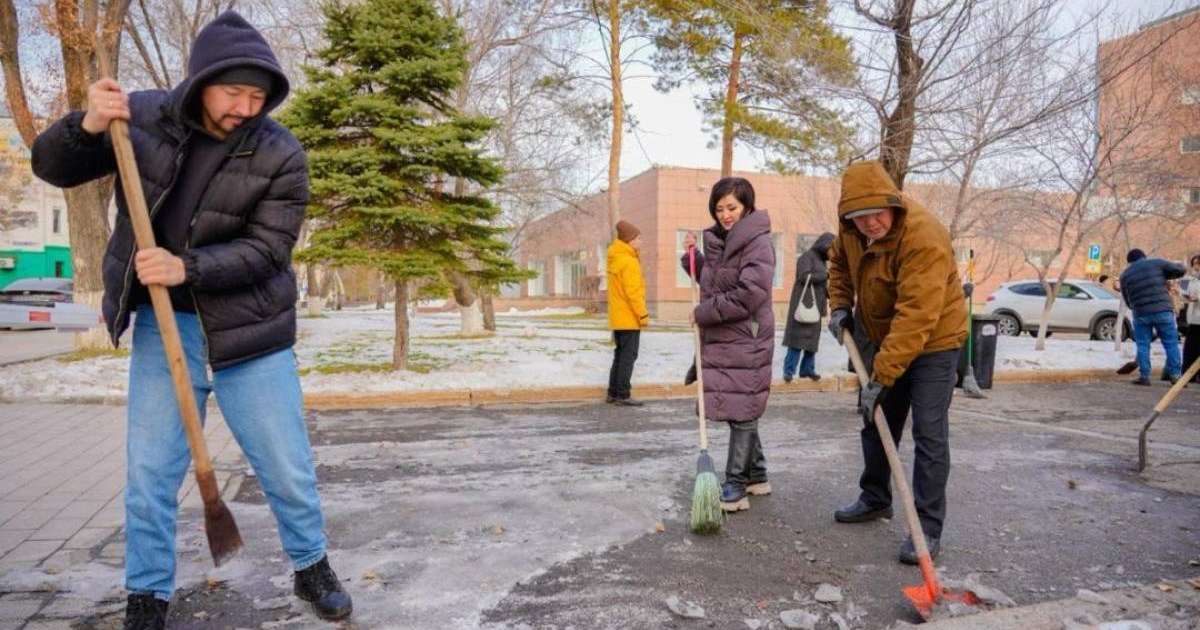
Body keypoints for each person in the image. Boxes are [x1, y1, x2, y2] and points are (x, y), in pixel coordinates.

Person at [30, 11, 351, 628]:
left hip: (250, 331)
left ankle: (312, 567)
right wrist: (89, 124)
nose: (245, 107)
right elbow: (54, 167)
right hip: (162, 326)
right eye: (234, 92)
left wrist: (186, 267)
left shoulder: (282, 154)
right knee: (150, 469)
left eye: (258, 97)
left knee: (284, 463)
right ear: (201, 79)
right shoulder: (141, 117)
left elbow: (268, 250)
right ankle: (146, 594)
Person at [825, 161, 967, 565]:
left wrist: (881, 376)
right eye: (860, 216)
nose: (870, 223)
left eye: (877, 213)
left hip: (934, 342)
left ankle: (926, 528)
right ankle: (875, 498)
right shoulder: (851, 229)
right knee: (876, 419)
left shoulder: (924, 236)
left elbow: (917, 315)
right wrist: (838, 306)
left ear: (893, 203)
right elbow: (838, 266)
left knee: (929, 433)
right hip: (884, 336)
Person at [681, 177, 775, 513]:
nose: (725, 214)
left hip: (746, 335)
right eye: (719, 208)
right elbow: (719, 281)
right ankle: (756, 473)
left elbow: (749, 294)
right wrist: (692, 259)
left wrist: (703, 312)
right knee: (743, 404)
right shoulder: (723, 241)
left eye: (731, 207)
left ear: (747, 206)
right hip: (725, 334)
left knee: (743, 409)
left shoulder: (758, 243)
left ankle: (736, 484)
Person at [1119, 249, 1186, 385]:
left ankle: (1144, 377)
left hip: (1141, 314)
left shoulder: (1124, 275)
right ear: (1144, 257)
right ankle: (1175, 376)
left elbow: (1126, 299)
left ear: (1129, 262)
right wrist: (1167, 275)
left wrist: (1136, 307)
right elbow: (1180, 270)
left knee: (1143, 345)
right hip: (1163, 311)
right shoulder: (1156, 263)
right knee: (1170, 343)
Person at [606, 220, 650, 406]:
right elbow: (633, 293)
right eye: (638, 238)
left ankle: (613, 392)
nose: (640, 241)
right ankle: (623, 394)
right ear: (629, 240)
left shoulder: (616, 258)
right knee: (628, 356)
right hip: (630, 317)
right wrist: (643, 314)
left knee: (620, 354)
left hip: (618, 317)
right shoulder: (629, 262)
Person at [782, 233, 835, 382]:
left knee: (811, 343)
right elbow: (803, 276)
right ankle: (789, 372)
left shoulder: (821, 261)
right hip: (803, 307)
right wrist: (825, 275)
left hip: (815, 310)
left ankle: (807, 370)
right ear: (824, 245)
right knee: (796, 342)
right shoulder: (807, 257)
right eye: (830, 248)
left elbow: (821, 284)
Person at [1182, 254, 1200, 384]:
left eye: (1198, 264)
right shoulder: (1189, 279)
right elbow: (1183, 293)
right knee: (1190, 347)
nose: (1196, 267)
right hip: (1193, 318)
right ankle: (1189, 375)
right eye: (1194, 264)